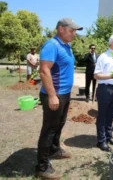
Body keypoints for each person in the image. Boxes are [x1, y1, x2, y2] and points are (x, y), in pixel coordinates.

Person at [36, 18, 83, 179]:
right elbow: (44, 71)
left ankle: (54, 149)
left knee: (59, 124)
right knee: (49, 129)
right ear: (61, 29)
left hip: (64, 93)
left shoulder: (66, 46)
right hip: (54, 94)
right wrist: (52, 95)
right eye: (72, 30)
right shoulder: (52, 45)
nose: (74, 34)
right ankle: (42, 167)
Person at [94, 34, 113, 152]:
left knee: (111, 114)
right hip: (105, 88)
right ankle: (101, 141)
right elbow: (96, 75)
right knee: (103, 114)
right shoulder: (103, 57)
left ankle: (109, 136)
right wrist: (112, 75)